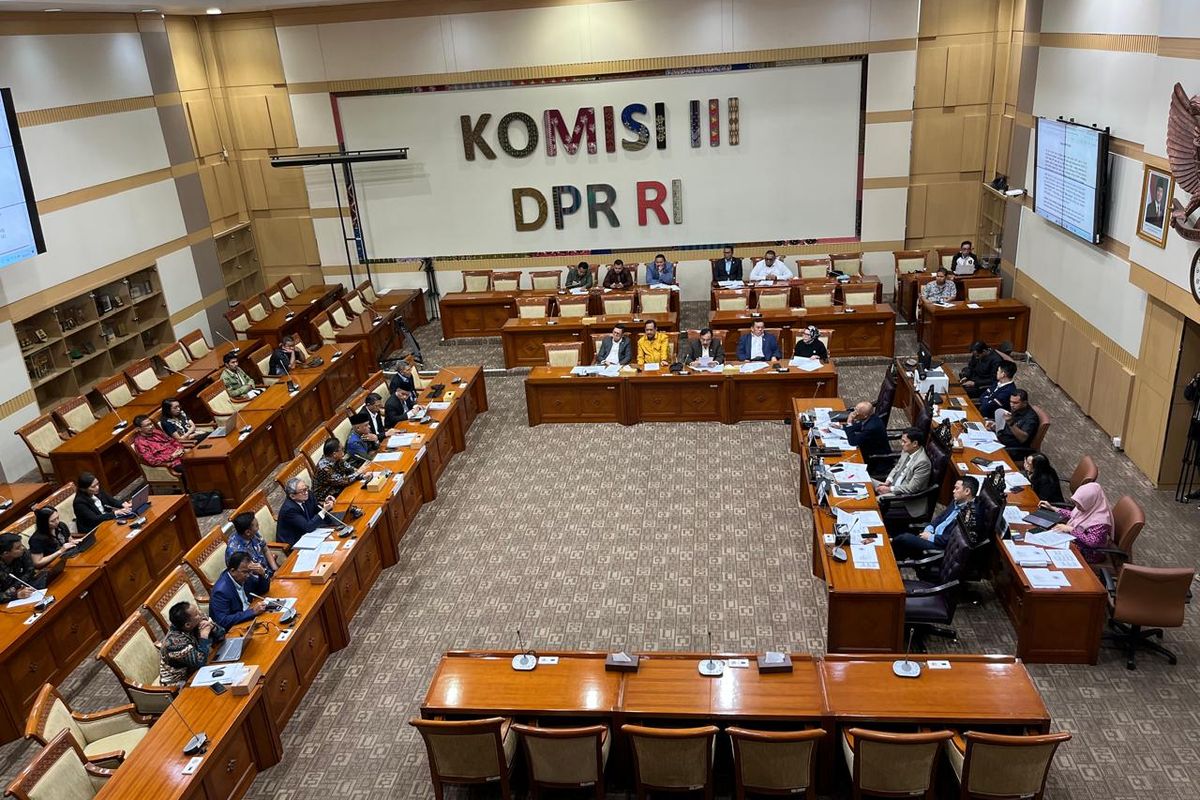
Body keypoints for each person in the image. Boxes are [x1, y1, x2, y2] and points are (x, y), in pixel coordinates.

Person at [891, 476, 980, 557]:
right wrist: (930, 527)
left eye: (957, 488)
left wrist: (930, 537)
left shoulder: (970, 514)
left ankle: (890, 543)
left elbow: (952, 539)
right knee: (903, 547)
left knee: (905, 538)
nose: (953, 491)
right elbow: (941, 517)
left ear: (967, 491)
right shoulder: (958, 500)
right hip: (933, 535)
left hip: (940, 545)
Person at [1036, 482, 1113, 564]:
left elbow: (1092, 542)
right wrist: (1053, 508)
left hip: (1089, 552)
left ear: (1090, 502)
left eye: (1079, 505)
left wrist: (1071, 529)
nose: (1077, 507)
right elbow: (1073, 515)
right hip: (1074, 541)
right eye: (1076, 503)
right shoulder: (1088, 507)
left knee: (1050, 553)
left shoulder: (1100, 521)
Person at [160, 601, 226, 686]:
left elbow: (222, 635)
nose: (201, 613)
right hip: (179, 683)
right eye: (196, 614)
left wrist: (212, 627)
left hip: (198, 669)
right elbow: (200, 662)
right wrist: (204, 637)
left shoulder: (197, 620)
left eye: (198, 610)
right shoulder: (174, 643)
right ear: (187, 625)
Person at [874, 428, 933, 517]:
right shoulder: (907, 450)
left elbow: (911, 488)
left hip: (904, 497)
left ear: (915, 444)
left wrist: (889, 489)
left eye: (904, 442)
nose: (902, 444)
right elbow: (897, 467)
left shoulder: (923, 463)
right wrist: (888, 481)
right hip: (892, 485)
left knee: (873, 501)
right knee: (865, 480)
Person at [210, 551, 269, 630]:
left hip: (250, 618)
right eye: (245, 572)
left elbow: (262, 590)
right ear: (232, 571)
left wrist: (262, 574)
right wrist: (252, 612)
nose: (248, 575)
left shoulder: (243, 574)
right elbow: (223, 621)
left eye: (249, 571)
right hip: (236, 628)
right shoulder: (221, 591)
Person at [276, 477, 337, 547]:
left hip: (309, 534)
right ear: (292, 496)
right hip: (294, 543)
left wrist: (326, 504)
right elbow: (308, 527)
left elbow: (317, 509)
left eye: (306, 488)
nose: (306, 492)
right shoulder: (289, 510)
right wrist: (324, 510)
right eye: (302, 491)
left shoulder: (307, 495)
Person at [225, 512, 278, 590]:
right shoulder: (236, 552)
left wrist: (276, 570)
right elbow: (249, 577)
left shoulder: (254, 534)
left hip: (268, 572)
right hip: (256, 583)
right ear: (248, 532)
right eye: (256, 526)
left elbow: (265, 549)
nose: (258, 528)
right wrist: (266, 578)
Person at [313, 438, 364, 503]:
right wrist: (358, 473)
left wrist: (362, 476)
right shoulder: (324, 468)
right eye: (342, 449)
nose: (344, 451)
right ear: (334, 454)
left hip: (340, 489)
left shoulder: (337, 458)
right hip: (327, 499)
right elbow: (343, 481)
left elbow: (351, 469)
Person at [0, 534, 37, 601]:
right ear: (6, 553)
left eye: (21, 545)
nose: (22, 548)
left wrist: (15, 587)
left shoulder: (22, 552)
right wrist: (16, 595)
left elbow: (30, 571)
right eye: (18, 548)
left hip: (26, 588)